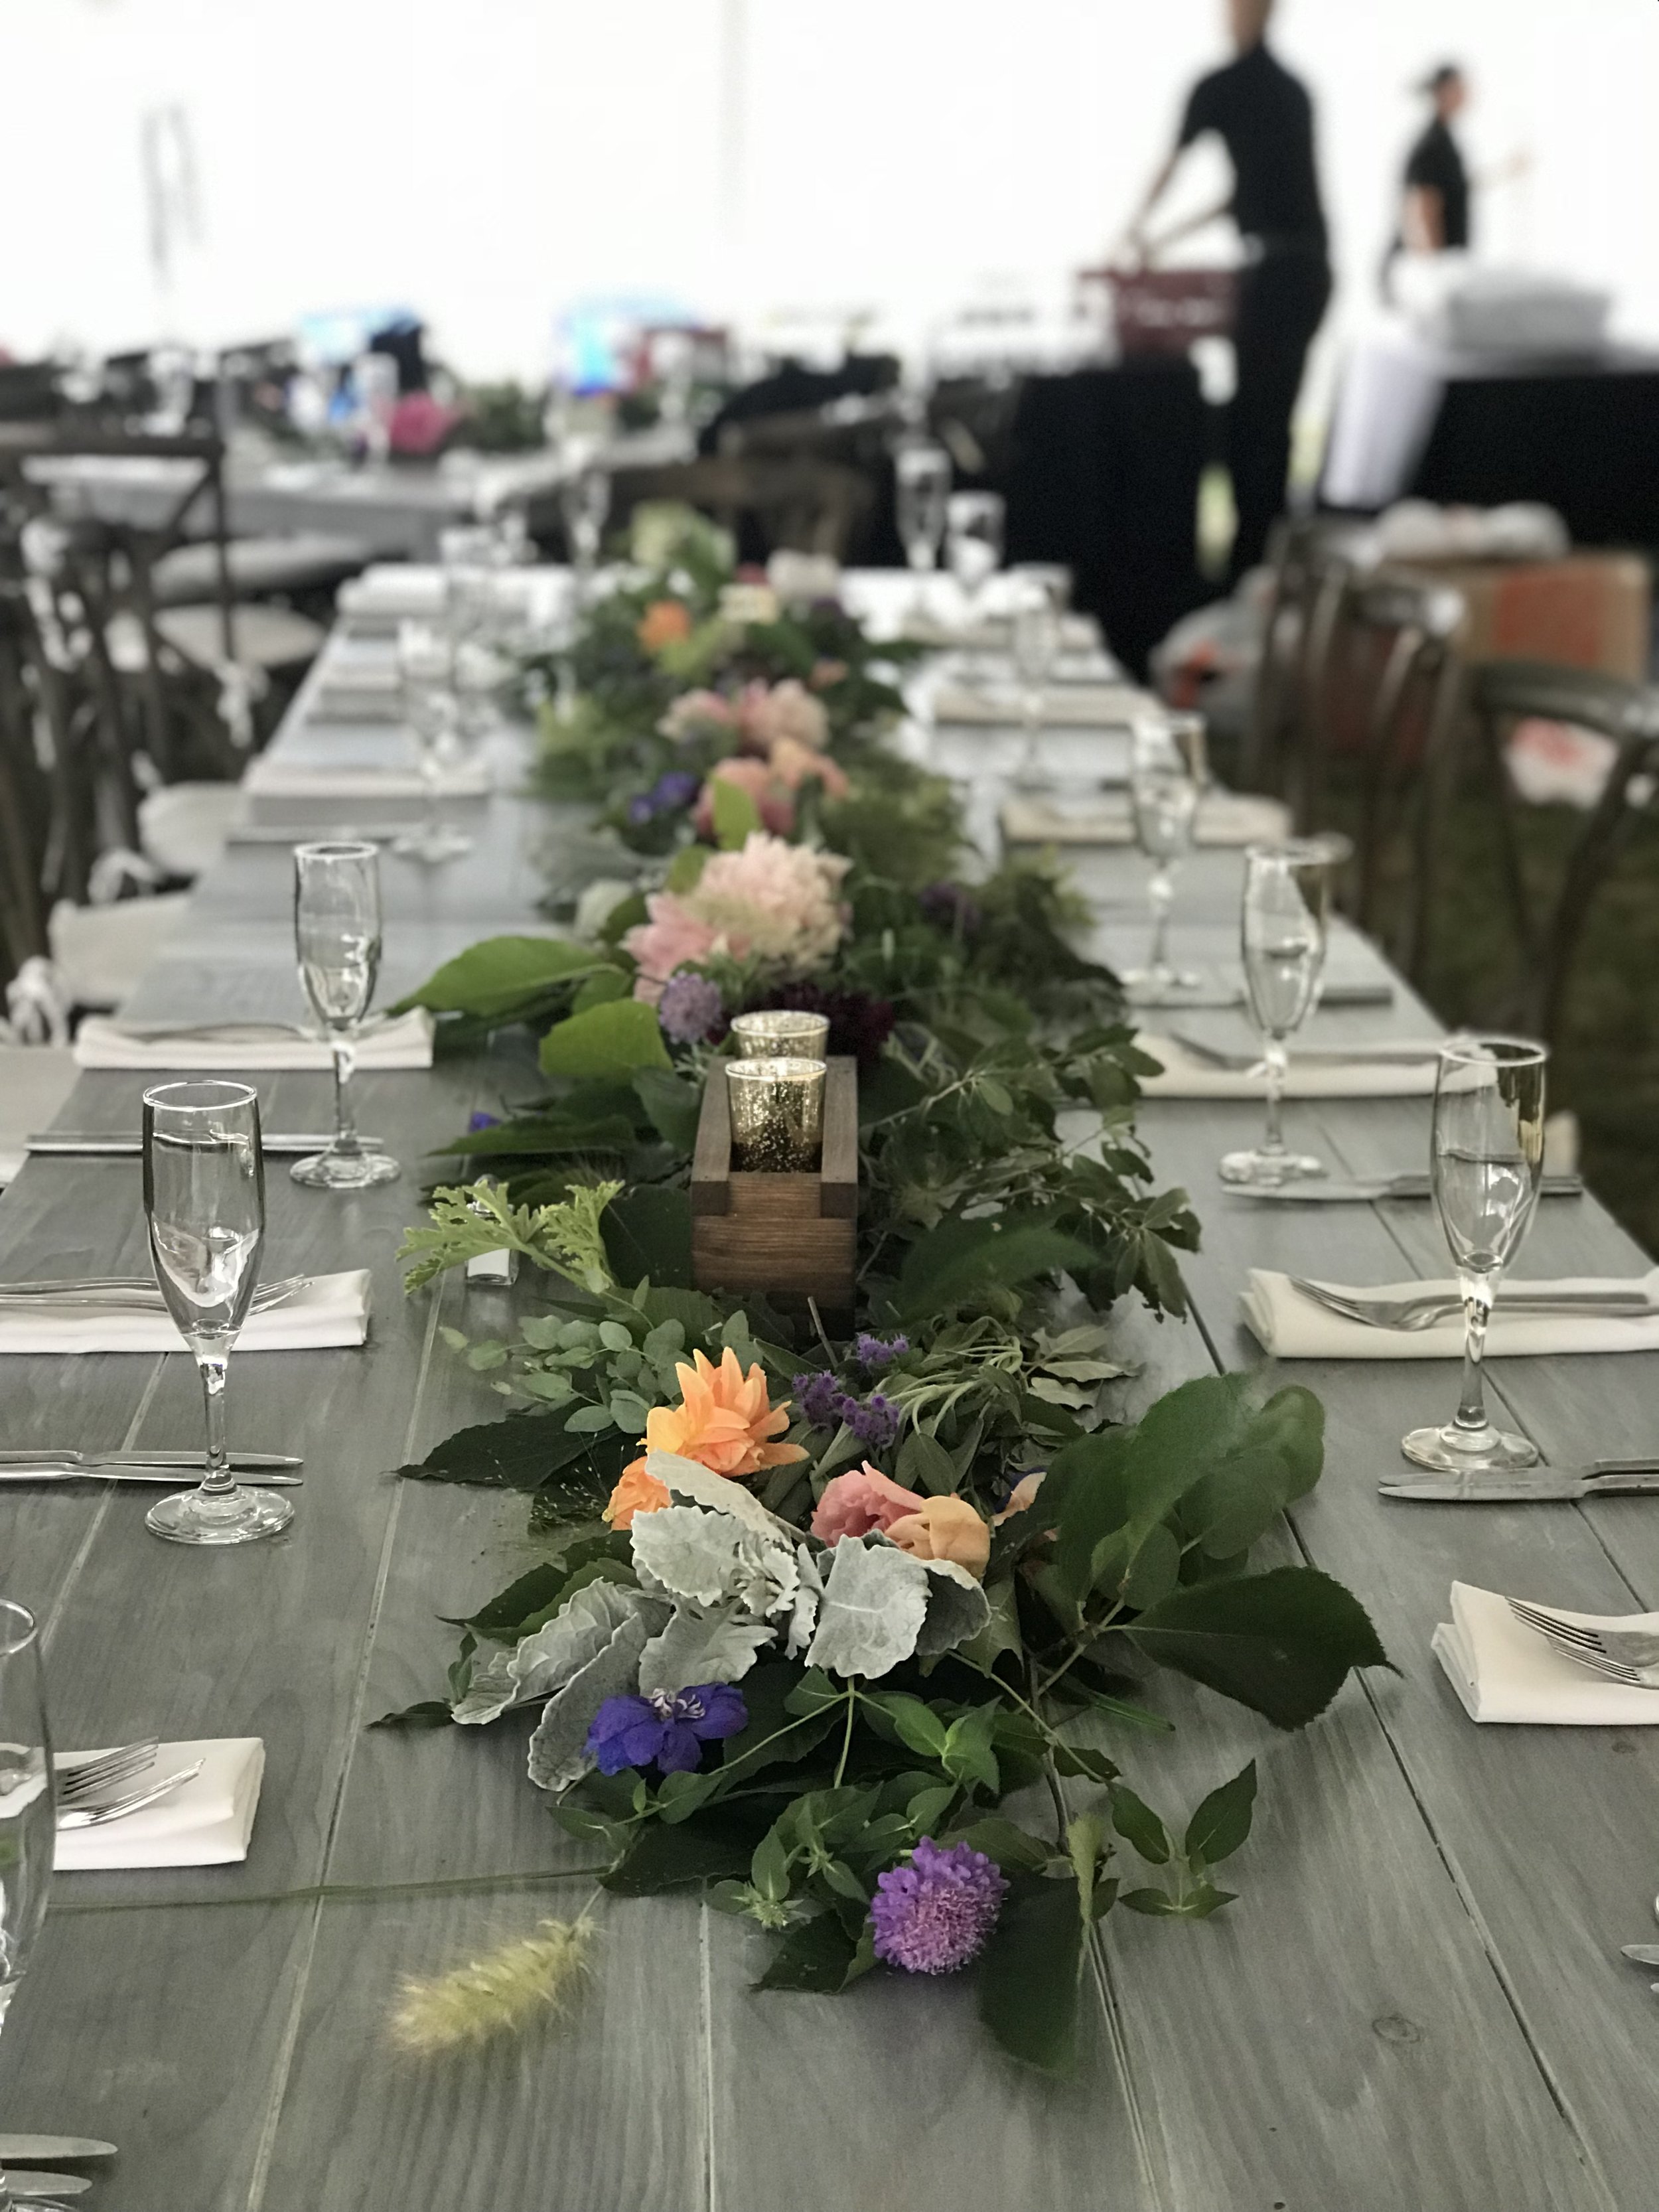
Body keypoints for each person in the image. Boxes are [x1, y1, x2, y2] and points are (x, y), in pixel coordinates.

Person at [1120, 0, 1331, 584]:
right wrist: (1154, 236)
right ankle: (1257, 565)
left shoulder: (1234, 87)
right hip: (1300, 271)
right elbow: (1247, 196)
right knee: (1263, 425)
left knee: (1259, 428)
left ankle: (1253, 570)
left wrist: (1136, 232)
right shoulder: (1287, 91)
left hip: (1284, 274)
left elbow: (1174, 168)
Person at [1401, 65, 1473, 258]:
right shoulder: (1433, 145)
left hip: (1446, 259)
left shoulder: (1445, 141)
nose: (1465, 94)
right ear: (1443, 92)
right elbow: (1424, 206)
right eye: (1459, 88)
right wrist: (1434, 264)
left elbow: (1454, 189)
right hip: (1431, 262)